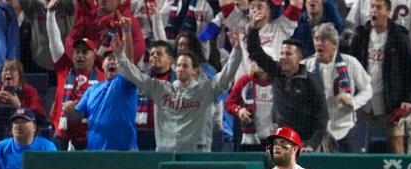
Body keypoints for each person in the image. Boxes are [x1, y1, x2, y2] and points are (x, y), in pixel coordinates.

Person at [113, 30, 241, 152]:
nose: (180, 69)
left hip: (196, 154)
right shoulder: (161, 89)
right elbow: (135, 75)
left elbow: (225, 76)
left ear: (195, 71)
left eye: (185, 66)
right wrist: (120, 55)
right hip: (165, 153)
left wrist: (236, 51)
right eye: (178, 65)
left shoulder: (205, 90)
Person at [350, 0, 411, 154]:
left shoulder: (399, 37)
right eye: (372, 7)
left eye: (378, 7)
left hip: (391, 103)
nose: (374, 11)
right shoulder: (360, 36)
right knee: (357, 150)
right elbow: (350, 68)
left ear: (388, 12)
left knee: (397, 148)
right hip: (364, 103)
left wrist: (409, 99)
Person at [247, 22, 328, 150]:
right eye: (282, 53)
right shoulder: (276, 72)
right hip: (283, 141)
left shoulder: (312, 81)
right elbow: (255, 51)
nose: (283, 57)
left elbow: (322, 116)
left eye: (289, 54)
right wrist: (253, 29)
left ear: (299, 58)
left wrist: (312, 144)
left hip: (306, 144)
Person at [64, 28, 138, 151]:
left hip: (124, 154)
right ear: (102, 64)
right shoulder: (92, 90)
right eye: (109, 59)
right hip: (94, 152)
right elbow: (77, 116)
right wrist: (69, 111)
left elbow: (129, 63)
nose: (112, 61)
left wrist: (127, 31)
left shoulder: (125, 83)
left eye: (116, 59)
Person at [303, 22, 372, 153]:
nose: (318, 43)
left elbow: (368, 90)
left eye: (323, 39)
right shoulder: (306, 66)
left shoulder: (350, 63)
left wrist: (353, 102)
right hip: (317, 131)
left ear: (334, 43)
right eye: (316, 39)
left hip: (346, 128)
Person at [47, 0, 105, 150]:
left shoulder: (102, 78)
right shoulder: (63, 70)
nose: (80, 55)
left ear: (94, 56)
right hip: (62, 136)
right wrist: (50, 14)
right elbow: (54, 43)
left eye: (85, 52)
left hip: (90, 136)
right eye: (77, 51)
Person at [65, 0, 146, 65]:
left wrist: (118, 63)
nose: (103, 0)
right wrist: (81, 57)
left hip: (117, 71)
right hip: (91, 71)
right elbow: (70, 40)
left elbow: (139, 45)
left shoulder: (126, 19)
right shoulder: (88, 17)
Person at [224, 61, 274, 151]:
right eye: (258, 61)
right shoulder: (244, 81)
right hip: (250, 139)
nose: (261, 64)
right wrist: (239, 110)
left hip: (274, 138)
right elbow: (229, 103)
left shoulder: (279, 83)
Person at [0, 59, 47, 126]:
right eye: (5, 70)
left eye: (12, 70)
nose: (8, 72)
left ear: (20, 76)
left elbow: (40, 119)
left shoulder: (30, 92)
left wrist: (18, 107)